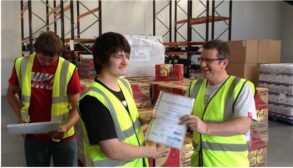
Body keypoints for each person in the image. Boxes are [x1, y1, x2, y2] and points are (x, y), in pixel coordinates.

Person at [77, 32, 163, 167]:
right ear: (101, 59)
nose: (125, 62)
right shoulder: (92, 100)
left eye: (127, 56)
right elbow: (112, 150)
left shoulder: (124, 85)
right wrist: (149, 151)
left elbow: (126, 130)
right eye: (118, 57)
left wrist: (148, 123)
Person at [6, 31, 81, 166]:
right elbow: (10, 94)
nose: (46, 63)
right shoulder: (22, 64)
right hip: (34, 135)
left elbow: (78, 108)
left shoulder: (69, 70)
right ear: (36, 51)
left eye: (51, 59)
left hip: (64, 136)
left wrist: (66, 126)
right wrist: (20, 116)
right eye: (42, 58)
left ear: (59, 54)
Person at [179, 40, 256, 167]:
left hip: (229, 163)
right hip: (200, 162)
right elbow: (180, 115)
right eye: (201, 59)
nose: (202, 64)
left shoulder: (240, 87)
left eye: (208, 60)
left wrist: (205, 128)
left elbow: (243, 125)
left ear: (224, 63)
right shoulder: (194, 86)